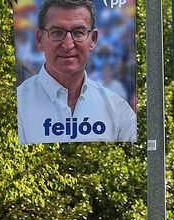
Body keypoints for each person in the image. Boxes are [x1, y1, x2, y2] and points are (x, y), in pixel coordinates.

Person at [17, 0, 137, 144]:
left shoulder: (118, 111)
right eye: (57, 32)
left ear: (93, 40)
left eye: (78, 32)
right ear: (39, 39)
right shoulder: (18, 106)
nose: (68, 45)